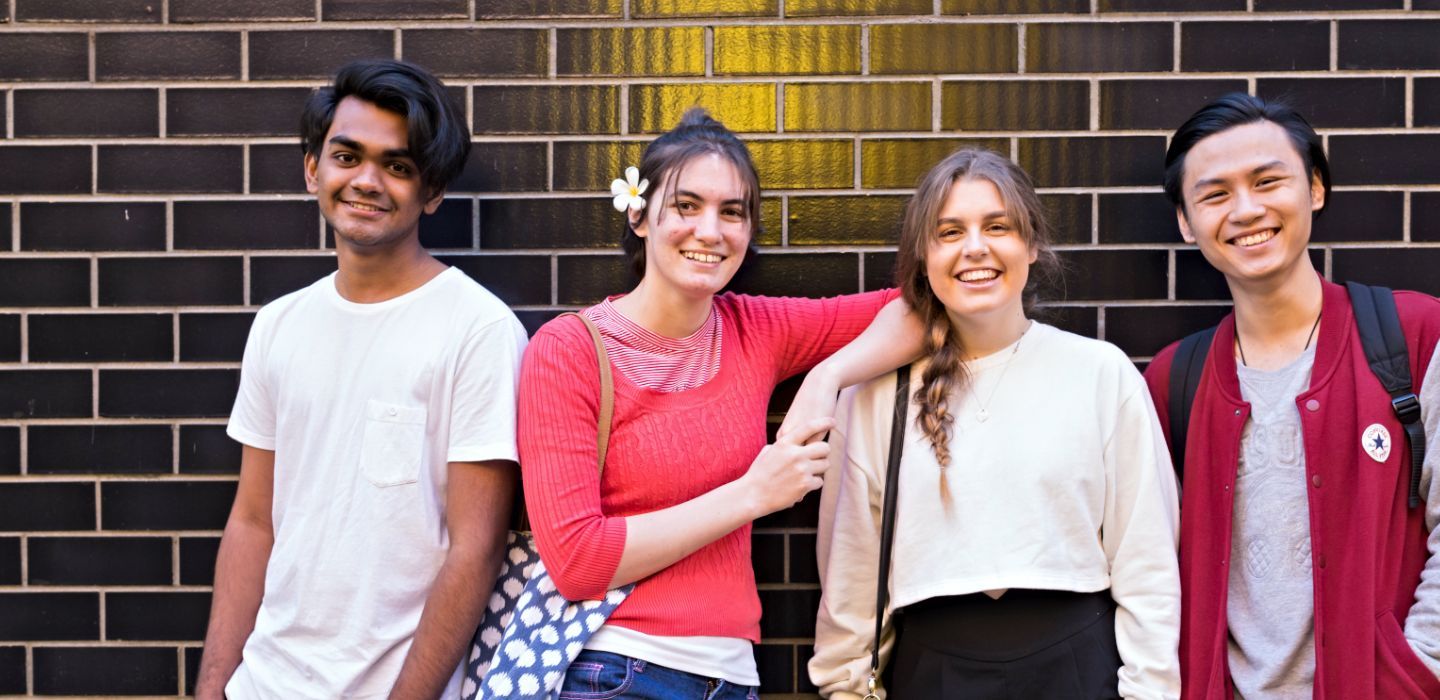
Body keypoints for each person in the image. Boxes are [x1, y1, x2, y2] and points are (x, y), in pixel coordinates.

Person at [516, 108, 920, 699]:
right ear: (638, 214)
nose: (711, 231)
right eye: (686, 205)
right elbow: (578, 559)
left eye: (732, 212)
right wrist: (754, 494)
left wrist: (828, 375)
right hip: (615, 670)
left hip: (731, 677)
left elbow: (925, 307)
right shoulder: (568, 350)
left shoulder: (756, 329)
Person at [194, 60, 527, 700]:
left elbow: (475, 550)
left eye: (398, 166)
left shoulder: (478, 329)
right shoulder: (278, 325)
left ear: (431, 193)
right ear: (313, 168)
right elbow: (253, 521)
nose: (367, 181)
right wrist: (214, 689)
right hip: (264, 684)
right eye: (347, 156)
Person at [810, 148, 1182, 699]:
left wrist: (1151, 690)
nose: (975, 248)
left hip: (1079, 666)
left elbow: (1147, 558)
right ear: (923, 257)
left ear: (1031, 245)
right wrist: (844, 688)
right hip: (932, 672)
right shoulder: (875, 398)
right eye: (950, 231)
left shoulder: (1100, 372)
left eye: (998, 226)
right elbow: (851, 578)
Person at [1143, 93, 1440, 698]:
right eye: (1215, 194)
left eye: (1268, 181)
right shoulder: (1174, 380)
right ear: (1185, 221)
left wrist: (1418, 667)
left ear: (1315, 189)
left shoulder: (1415, 337)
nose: (1246, 210)